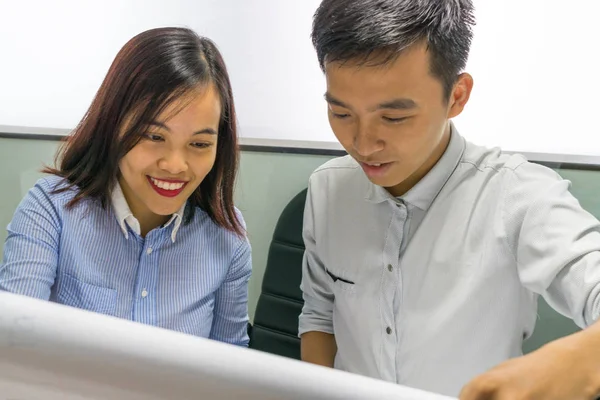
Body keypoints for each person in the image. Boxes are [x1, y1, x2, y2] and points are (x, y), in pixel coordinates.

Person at [299, 0, 600, 398]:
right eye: (341, 114)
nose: (362, 143)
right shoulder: (328, 190)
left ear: (457, 96)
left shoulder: (518, 196)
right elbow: (319, 314)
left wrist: (583, 360)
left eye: (393, 118)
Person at [0, 27, 252, 347]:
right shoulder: (52, 210)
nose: (176, 165)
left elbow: (231, 371)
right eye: (154, 137)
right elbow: (12, 350)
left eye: (200, 143)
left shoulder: (227, 238)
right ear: (114, 125)